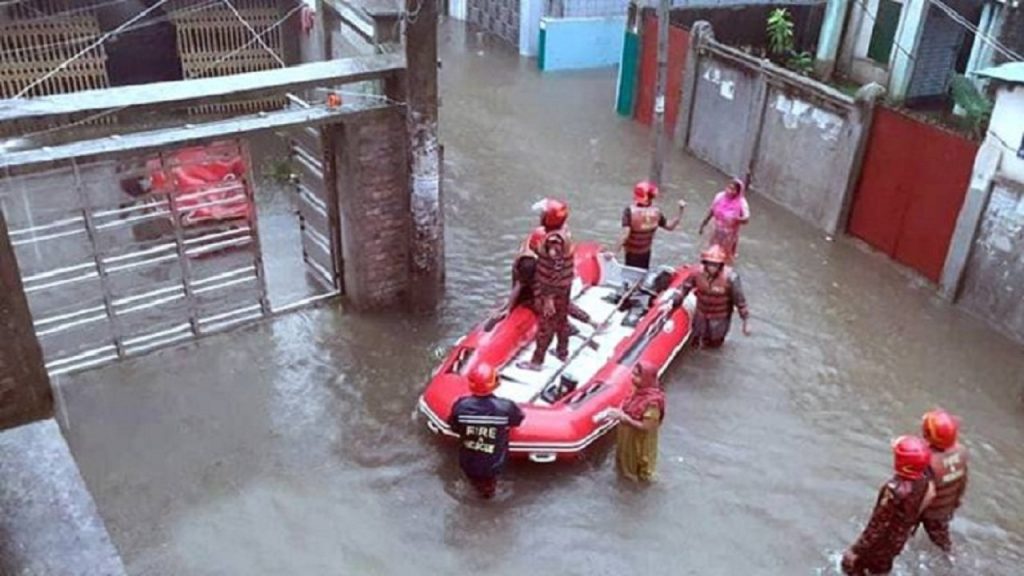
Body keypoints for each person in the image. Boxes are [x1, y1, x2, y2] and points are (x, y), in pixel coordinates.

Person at [842, 436, 936, 576]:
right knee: (881, 568)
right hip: (897, 541)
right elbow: (930, 495)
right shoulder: (924, 479)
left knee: (849, 565)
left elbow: (877, 526)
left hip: (879, 544)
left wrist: (856, 550)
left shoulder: (894, 490)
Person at [448, 363, 525, 499]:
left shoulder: (461, 406)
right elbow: (517, 420)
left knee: (474, 482)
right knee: (488, 488)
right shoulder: (505, 407)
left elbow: (453, 426)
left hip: (468, 461)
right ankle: (487, 498)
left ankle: (478, 494)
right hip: (492, 463)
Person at [518, 231, 575, 370]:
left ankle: (537, 362)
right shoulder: (564, 240)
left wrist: (549, 297)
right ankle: (562, 352)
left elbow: (556, 267)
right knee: (562, 321)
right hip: (564, 289)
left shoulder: (552, 245)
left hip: (553, 293)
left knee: (546, 327)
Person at [676, 244, 750, 348]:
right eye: (710, 264)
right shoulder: (696, 274)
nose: (712, 268)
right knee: (696, 341)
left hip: (719, 318)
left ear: (721, 265)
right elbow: (685, 288)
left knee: (715, 344)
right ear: (705, 263)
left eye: (715, 265)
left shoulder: (731, 278)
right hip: (701, 314)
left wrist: (745, 322)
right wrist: (676, 298)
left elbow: (740, 301)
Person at [605, 362, 665, 482]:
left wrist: (623, 418)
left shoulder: (653, 403)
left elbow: (646, 427)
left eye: (637, 376)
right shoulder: (637, 391)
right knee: (623, 468)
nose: (633, 377)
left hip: (639, 443)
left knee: (637, 475)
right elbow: (627, 406)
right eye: (633, 374)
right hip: (627, 440)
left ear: (646, 378)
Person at [919, 409, 969, 554]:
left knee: (902, 534)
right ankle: (949, 558)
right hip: (945, 508)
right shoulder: (961, 452)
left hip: (929, 510)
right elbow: (963, 480)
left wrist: (913, 515)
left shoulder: (928, 462)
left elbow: (926, 493)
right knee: (942, 539)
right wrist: (957, 501)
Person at [617, 181, 686, 269]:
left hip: (631, 253)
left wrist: (614, 252)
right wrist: (681, 211)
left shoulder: (629, 211)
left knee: (630, 276)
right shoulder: (656, 212)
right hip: (645, 252)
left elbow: (624, 235)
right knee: (642, 275)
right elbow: (670, 226)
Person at [699, 177, 750, 264]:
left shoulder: (741, 202)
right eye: (729, 188)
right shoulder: (719, 196)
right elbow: (711, 211)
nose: (729, 191)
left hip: (729, 234)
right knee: (710, 251)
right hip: (715, 229)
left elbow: (746, 219)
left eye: (733, 189)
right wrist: (703, 224)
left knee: (724, 256)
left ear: (738, 192)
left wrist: (739, 219)